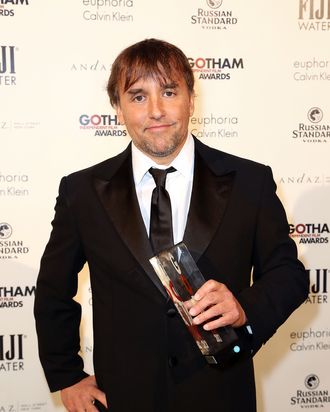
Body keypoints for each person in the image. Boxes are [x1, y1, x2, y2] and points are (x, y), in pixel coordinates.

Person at [34, 38, 309, 412]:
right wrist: (66, 375)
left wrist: (245, 308)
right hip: (123, 398)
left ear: (191, 98)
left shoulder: (250, 182)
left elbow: (288, 274)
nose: (157, 111)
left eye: (168, 91)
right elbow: (53, 289)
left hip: (222, 396)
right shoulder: (82, 192)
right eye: (137, 96)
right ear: (117, 108)